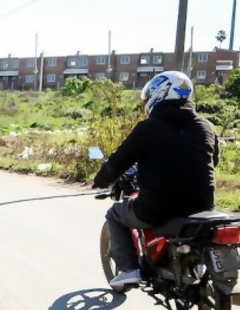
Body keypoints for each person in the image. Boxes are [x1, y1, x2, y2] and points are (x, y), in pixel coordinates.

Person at [92, 71, 219, 288]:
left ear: (160, 93)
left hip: (158, 208)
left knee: (114, 214)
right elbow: (213, 161)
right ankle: (196, 264)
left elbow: (119, 161)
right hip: (203, 205)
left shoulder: (148, 128)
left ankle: (129, 269)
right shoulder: (206, 126)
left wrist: (101, 180)